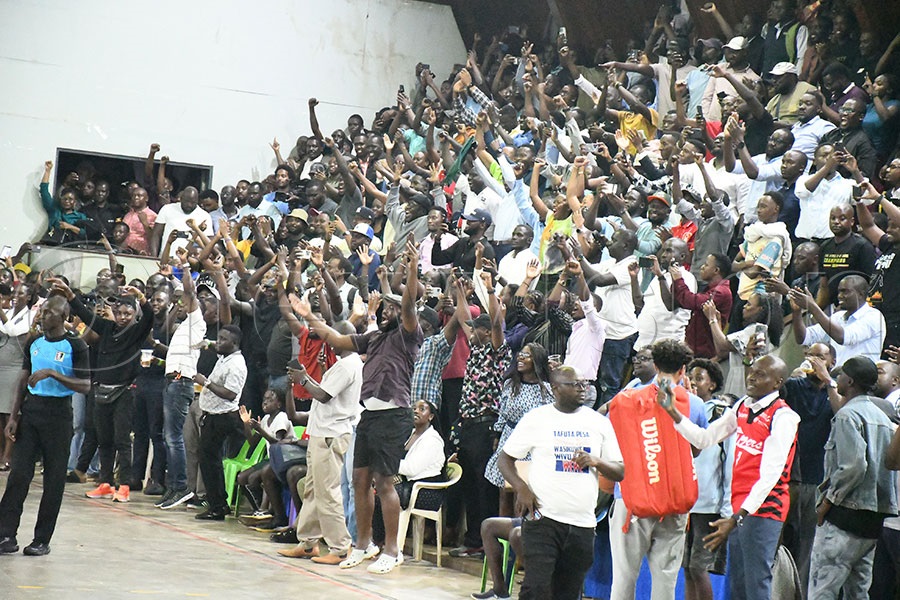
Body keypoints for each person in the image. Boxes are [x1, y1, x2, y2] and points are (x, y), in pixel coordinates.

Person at [288, 240, 422, 575]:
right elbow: (335, 339)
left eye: (393, 309)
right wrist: (308, 318)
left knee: (384, 482)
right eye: (385, 309)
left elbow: (408, 305)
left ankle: (392, 550)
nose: (389, 312)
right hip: (369, 417)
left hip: (394, 415)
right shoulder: (374, 338)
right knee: (360, 479)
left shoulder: (407, 335)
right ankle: (364, 545)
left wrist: (412, 269)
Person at [657, 355, 800, 600]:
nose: (752, 377)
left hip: (764, 510)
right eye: (752, 371)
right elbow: (704, 439)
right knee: (737, 583)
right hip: (738, 509)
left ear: (778, 383)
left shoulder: (784, 417)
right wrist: (673, 413)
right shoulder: (742, 406)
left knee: (757, 582)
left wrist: (737, 517)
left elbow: (770, 475)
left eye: (761, 374)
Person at [498, 366, 624, 600]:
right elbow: (504, 459)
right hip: (543, 519)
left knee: (567, 592)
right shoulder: (537, 418)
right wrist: (521, 488)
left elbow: (620, 471)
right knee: (536, 589)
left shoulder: (598, 422)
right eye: (574, 384)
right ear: (555, 388)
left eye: (583, 384)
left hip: (582, 524)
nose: (581, 388)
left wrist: (596, 461)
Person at [0, 296, 90, 556]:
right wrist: (14, 416)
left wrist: (53, 373)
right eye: (43, 310)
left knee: (53, 481)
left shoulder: (76, 345)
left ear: (64, 317)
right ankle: (6, 535)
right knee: (19, 476)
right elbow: (23, 379)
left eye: (50, 312)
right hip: (32, 412)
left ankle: (41, 539)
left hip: (59, 416)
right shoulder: (34, 342)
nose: (43, 315)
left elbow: (85, 386)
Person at [809, 357, 899, 599]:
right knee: (858, 590)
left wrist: (827, 501)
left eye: (840, 376)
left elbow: (854, 466)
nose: (837, 379)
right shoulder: (884, 417)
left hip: (845, 514)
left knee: (822, 588)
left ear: (849, 380)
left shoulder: (847, 415)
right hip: (873, 518)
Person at [59, 279, 153, 504]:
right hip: (101, 391)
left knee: (122, 440)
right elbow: (86, 314)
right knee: (104, 440)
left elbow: (149, 318)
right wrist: (71, 295)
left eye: (127, 314)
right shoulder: (107, 328)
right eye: (119, 313)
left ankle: (124, 486)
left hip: (124, 392)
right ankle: (106, 482)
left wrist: (141, 297)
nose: (122, 317)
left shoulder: (136, 332)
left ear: (133, 315)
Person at [279, 320, 362, 565]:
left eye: (331, 337)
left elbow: (324, 396)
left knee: (328, 492)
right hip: (322, 431)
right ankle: (308, 543)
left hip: (331, 433)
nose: (328, 342)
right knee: (313, 490)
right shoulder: (343, 364)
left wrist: (303, 379)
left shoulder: (347, 366)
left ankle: (340, 547)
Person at [781, 342, 836, 594]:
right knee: (782, 541)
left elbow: (842, 413)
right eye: (810, 355)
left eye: (821, 357)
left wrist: (829, 380)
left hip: (817, 479)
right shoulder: (794, 386)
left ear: (832, 362)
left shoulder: (838, 391)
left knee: (806, 546)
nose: (814, 360)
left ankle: (800, 594)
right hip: (787, 477)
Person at [193, 325, 248, 520]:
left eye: (223, 339)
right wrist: (207, 343)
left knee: (210, 459)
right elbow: (215, 346)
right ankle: (218, 502)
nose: (219, 342)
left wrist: (205, 382)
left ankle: (217, 505)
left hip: (223, 416)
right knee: (208, 458)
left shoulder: (236, 364)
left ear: (234, 343)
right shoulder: (225, 357)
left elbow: (230, 394)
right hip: (213, 414)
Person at [484, 342, 552, 495]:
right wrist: (497, 435)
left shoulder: (547, 390)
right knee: (504, 491)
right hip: (509, 438)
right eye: (520, 354)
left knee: (523, 492)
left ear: (537, 360)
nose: (520, 358)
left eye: (526, 355)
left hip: (532, 444)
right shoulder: (510, 384)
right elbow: (502, 413)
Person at [790, 274, 886, 366]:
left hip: (861, 380)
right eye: (839, 291)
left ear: (860, 294)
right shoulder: (838, 317)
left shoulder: (873, 316)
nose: (840, 295)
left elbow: (843, 337)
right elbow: (803, 338)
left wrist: (813, 307)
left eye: (845, 291)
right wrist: (797, 312)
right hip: (837, 377)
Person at [0, 283, 38, 470]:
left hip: (15, 368)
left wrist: (0, 311)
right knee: (0, 415)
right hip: (1, 367)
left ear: (29, 297)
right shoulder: (11, 313)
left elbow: (12, 332)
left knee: (10, 414)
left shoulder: (30, 316)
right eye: (14, 292)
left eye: (20, 293)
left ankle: (8, 456)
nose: (15, 295)